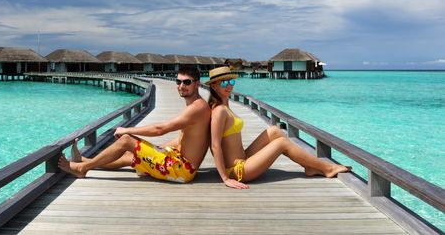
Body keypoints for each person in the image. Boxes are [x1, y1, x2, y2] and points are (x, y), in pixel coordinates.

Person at [58, 66, 211, 183]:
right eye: (178, 81)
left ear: (197, 84)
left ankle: (82, 169)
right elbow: (184, 139)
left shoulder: (197, 108)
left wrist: (126, 130)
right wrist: (158, 150)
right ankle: (86, 161)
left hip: (182, 171)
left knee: (126, 140)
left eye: (186, 82)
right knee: (129, 156)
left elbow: (160, 129)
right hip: (178, 161)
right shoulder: (196, 106)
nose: (181, 86)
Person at [207, 66, 350, 189]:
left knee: (275, 131)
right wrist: (225, 178)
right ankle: (327, 168)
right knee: (281, 143)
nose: (229, 86)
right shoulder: (219, 110)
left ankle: (310, 166)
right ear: (214, 86)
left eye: (231, 82)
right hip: (238, 171)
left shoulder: (225, 106)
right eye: (224, 83)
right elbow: (215, 145)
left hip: (243, 158)